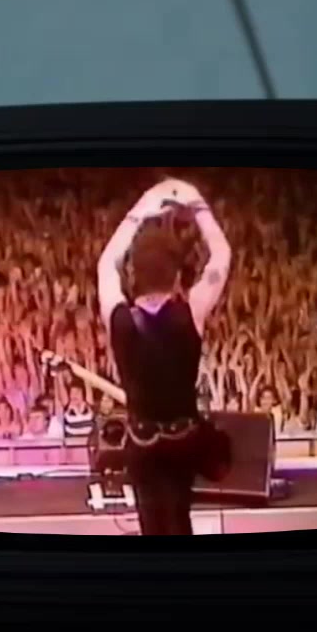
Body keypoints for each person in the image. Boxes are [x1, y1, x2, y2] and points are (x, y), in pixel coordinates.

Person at [98, 177, 231, 536]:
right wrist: (197, 204)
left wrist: (141, 208)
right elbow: (222, 256)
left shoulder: (119, 318)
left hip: (142, 445)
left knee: (152, 523)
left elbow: (105, 265)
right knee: (178, 517)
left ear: (132, 275)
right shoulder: (190, 312)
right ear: (175, 278)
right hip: (184, 442)